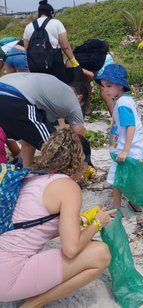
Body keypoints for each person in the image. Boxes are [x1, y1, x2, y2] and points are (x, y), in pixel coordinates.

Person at [0, 128, 116, 306]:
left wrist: (84, 220)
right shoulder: (68, 186)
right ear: (79, 162)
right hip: (7, 278)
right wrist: (97, 224)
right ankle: (33, 304)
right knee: (101, 254)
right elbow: (71, 249)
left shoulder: (32, 176)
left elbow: (37, 227)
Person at [0, 72, 87, 167]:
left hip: (6, 88)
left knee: (29, 140)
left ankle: (24, 173)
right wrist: (84, 160)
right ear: (79, 98)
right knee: (58, 147)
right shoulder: (74, 102)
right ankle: (66, 178)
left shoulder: (53, 89)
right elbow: (78, 138)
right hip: (13, 97)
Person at [98, 64, 143, 211]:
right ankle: (135, 204)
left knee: (117, 180)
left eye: (109, 86)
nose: (105, 89)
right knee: (127, 179)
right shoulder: (125, 100)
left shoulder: (122, 103)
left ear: (120, 86)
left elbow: (130, 126)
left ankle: (116, 209)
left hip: (127, 149)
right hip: (128, 147)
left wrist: (125, 150)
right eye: (104, 86)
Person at [23, 0, 79, 84]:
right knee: (60, 86)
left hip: (35, 64)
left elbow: (26, 48)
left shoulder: (29, 26)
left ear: (39, 12)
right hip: (54, 62)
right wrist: (72, 60)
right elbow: (65, 46)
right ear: (50, 12)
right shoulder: (56, 23)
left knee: (41, 87)